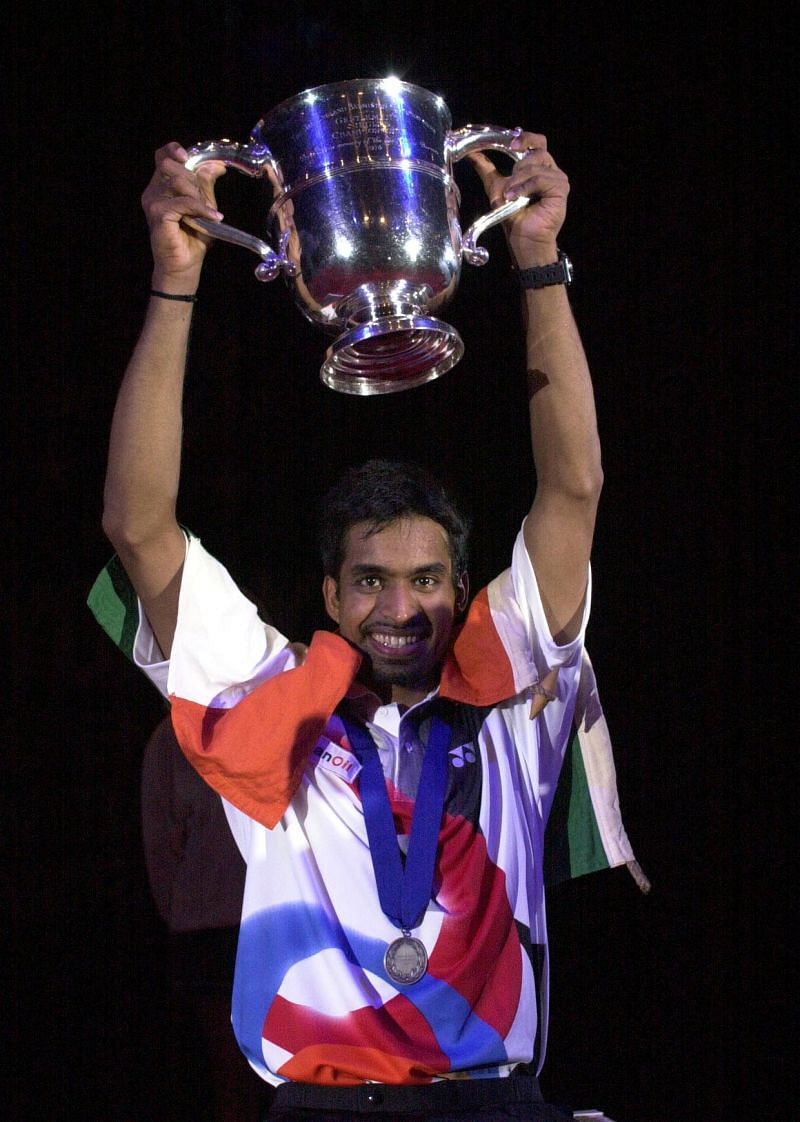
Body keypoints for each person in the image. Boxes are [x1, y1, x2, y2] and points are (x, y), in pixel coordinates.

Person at [89, 130, 645, 1121]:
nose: (401, 608)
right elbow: (137, 526)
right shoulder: (275, 704)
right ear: (333, 595)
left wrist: (535, 259)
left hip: (490, 1104)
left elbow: (575, 485)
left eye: (428, 579)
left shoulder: (506, 691)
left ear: (462, 584)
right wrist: (174, 281)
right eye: (373, 581)